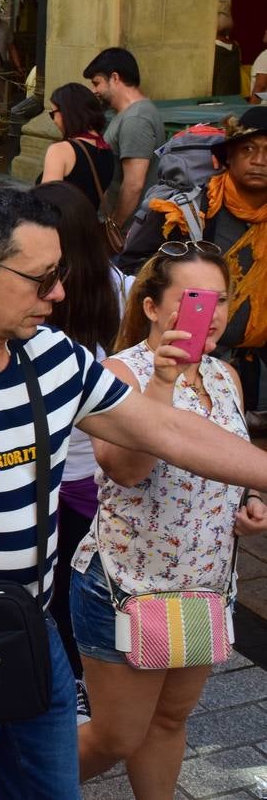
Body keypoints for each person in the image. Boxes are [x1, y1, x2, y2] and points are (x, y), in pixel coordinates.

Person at [0, 187, 267, 798]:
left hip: (35, 631)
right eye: (40, 279)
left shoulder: (53, 357)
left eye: (59, 275)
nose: (58, 294)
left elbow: (161, 427)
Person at [74, 241, 267, 793]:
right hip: (127, 589)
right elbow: (126, 469)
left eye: (220, 299)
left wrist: (253, 501)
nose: (214, 311)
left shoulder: (226, 375)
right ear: (153, 307)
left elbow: (236, 461)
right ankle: (27, 784)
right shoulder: (120, 373)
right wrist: (162, 382)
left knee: (168, 721)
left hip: (204, 589)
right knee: (115, 736)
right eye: (193, 298)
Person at [32, 181, 125, 718]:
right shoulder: (120, 289)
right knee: (80, 587)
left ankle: (71, 685)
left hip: (63, 478)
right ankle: (83, 683)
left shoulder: (46, 300)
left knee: (57, 587)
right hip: (98, 480)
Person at [122, 108, 267, 414]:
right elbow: (133, 270)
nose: (259, 160)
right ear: (228, 157)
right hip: (177, 362)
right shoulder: (186, 212)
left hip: (250, 369)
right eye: (248, 149)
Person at [84, 47, 165, 227]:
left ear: (114, 77)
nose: (94, 90)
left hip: (126, 232)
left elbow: (133, 185)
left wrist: (114, 226)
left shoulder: (135, 119)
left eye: (96, 83)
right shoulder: (128, 114)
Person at [40, 82, 115, 209]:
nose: (54, 121)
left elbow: (46, 204)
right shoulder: (106, 149)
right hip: (89, 226)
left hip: (63, 228)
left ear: (67, 113)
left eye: (53, 113)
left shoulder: (60, 150)